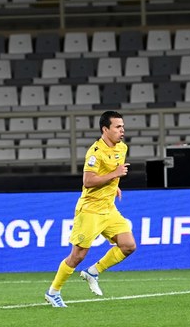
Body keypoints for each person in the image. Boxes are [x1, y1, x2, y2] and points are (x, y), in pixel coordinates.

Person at [44, 110, 137, 307]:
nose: (122, 130)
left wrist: (115, 185)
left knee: (128, 245)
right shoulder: (95, 152)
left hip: (108, 208)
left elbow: (108, 175)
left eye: (123, 126)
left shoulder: (122, 147)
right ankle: (53, 292)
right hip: (90, 210)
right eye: (118, 127)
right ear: (105, 129)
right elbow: (88, 181)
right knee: (77, 255)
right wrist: (114, 175)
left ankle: (93, 272)